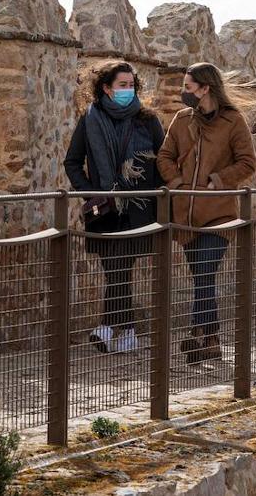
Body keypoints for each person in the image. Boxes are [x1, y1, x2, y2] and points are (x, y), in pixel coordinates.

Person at [157, 62, 256, 364]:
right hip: (186, 213)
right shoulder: (182, 118)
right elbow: (164, 155)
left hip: (219, 213)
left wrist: (217, 180)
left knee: (204, 271)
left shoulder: (232, 121)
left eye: (188, 87)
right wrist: (177, 182)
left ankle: (197, 334)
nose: (183, 92)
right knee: (202, 276)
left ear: (205, 88)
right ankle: (211, 338)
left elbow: (247, 163)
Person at [64, 60, 165, 355]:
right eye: (122, 85)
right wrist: (90, 193)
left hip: (139, 208)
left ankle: (108, 328)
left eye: (131, 85)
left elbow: (163, 159)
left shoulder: (147, 120)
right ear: (106, 88)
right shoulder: (91, 119)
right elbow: (72, 162)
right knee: (116, 269)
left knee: (119, 268)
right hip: (105, 208)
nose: (127, 90)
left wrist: (156, 194)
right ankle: (126, 331)